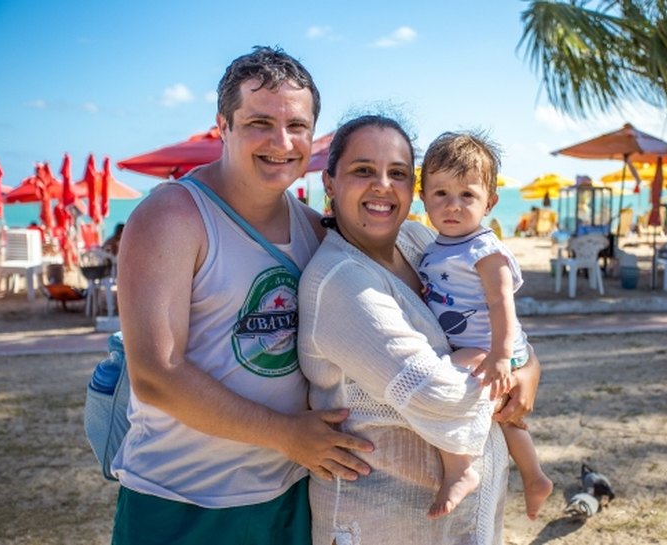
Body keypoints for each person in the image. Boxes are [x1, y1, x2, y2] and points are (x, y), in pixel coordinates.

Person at [111, 46, 373, 545]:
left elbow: (411, 302)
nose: (281, 142)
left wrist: (516, 358)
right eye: (259, 123)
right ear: (222, 127)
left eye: (297, 126)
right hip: (181, 500)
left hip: (290, 493)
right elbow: (156, 376)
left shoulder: (316, 229)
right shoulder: (172, 217)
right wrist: (288, 435)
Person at [298, 115, 542, 544]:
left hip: (458, 520)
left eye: (397, 173)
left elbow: (486, 314)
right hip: (383, 522)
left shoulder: (415, 241)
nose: (382, 185)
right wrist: (497, 372)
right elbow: (437, 394)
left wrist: (528, 366)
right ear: (330, 184)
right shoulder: (341, 280)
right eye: (362, 171)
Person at [417, 131, 553, 520]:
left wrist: (500, 355)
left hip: (492, 347)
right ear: (423, 197)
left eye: (467, 196)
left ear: (490, 203)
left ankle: (460, 468)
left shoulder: (483, 249)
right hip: (485, 347)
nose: (453, 206)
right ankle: (535, 476)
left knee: (447, 377)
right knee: (506, 419)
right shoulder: (434, 246)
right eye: (441, 194)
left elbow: (501, 303)